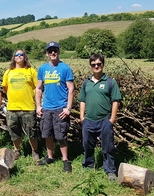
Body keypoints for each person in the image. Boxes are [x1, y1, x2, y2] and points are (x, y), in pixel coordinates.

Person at [78, 53, 122, 181]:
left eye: (99, 64)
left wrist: (111, 120)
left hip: (105, 121)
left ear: (103, 64)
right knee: (87, 145)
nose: (96, 66)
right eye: (93, 64)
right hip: (89, 120)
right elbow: (82, 100)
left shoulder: (110, 82)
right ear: (90, 66)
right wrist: (82, 117)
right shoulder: (86, 82)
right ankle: (88, 165)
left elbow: (115, 101)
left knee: (108, 146)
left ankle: (110, 170)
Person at [35, 41, 75, 172]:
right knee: (47, 134)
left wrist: (68, 108)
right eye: (50, 51)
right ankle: (50, 157)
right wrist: (38, 106)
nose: (53, 53)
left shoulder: (65, 68)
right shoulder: (42, 69)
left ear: (58, 52)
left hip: (60, 108)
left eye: (55, 50)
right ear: (47, 54)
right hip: (47, 108)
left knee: (61, 135)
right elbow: (39, 88)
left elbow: (71, 89)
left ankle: (65, 160)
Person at [2, 49, 40, 161]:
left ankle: (35, 151)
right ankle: (17, 151)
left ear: (25, 57)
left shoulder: (31, 71)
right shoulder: (8, 72)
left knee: (31, 131)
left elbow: (38, 88)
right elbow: (5, 88)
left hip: (28, 107)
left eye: (21, 54)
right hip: (12, 107)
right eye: (17, 55)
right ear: (14, 58)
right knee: (13, 131)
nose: (19, 56)